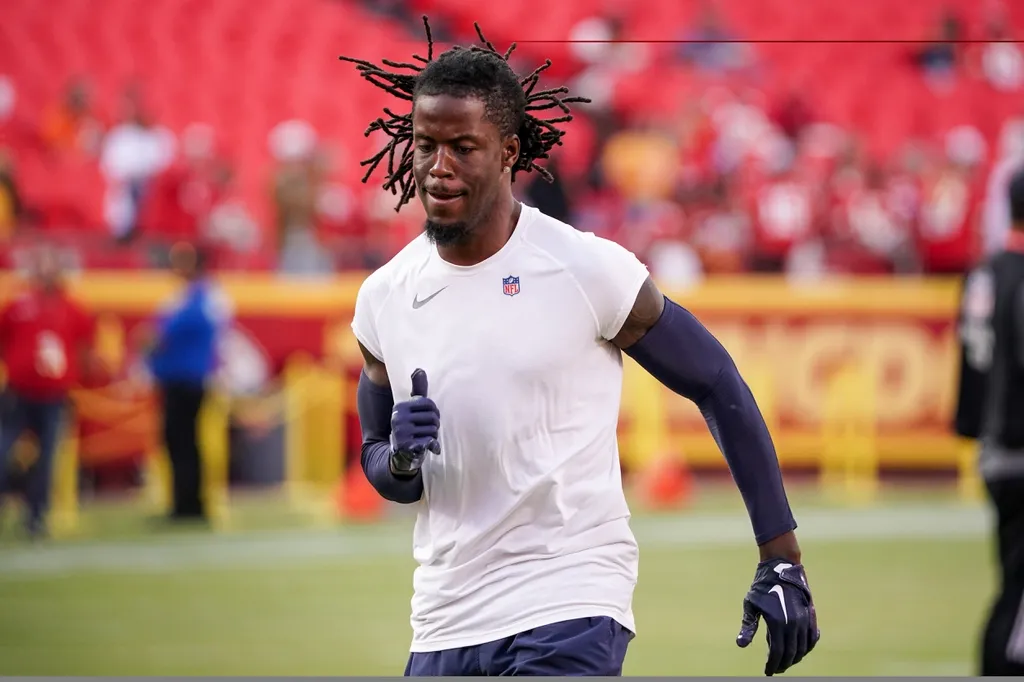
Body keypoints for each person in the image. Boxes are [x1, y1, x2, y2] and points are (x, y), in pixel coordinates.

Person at [341, 18, 819, 677]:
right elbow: (383, 470)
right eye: (426, 145)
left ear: (509, 151)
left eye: (463, 146)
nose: (439, 167)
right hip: (445, 616)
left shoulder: (583, 268)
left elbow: (715, 380)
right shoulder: (384, 296)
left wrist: (780, 555)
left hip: (570, 600)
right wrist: (397, 458)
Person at [954, 166, 1024, 676]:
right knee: (1016, 592)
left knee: (1013, 581)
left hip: (995, 445)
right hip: (1019, 443)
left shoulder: (984, 272)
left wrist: (976, 426)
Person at [0, 244, 96, 539]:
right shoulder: (17, 305)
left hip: (54, 395)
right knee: (3, 450)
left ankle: (36, 517)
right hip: (19, 391)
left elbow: (85, 349)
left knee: (48, 458)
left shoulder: (74, 309)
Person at [144, 242, 230, 524]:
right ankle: (184, 502)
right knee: (180, 442)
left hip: (188, 379)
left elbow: (162, 334)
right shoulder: (189, 297)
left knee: (183, 442)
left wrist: (150, 342)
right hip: (179, 378)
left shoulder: (200, 297)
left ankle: (189, 505)